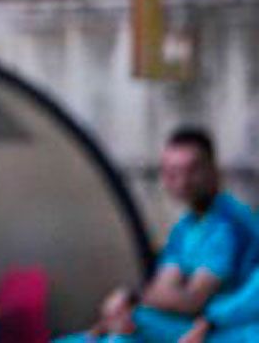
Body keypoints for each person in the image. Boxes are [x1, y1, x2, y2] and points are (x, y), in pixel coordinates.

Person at [64, 129, 259, 343]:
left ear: (213, 171)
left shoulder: (228, 225)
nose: (183, 182)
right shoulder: (185, 227)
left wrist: (134, 299)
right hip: (196, 325)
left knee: (128, 330)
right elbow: (162, 286)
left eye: (192, 171)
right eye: (173, 173)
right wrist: (127, 304)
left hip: (226, 332)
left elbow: (192, 301)